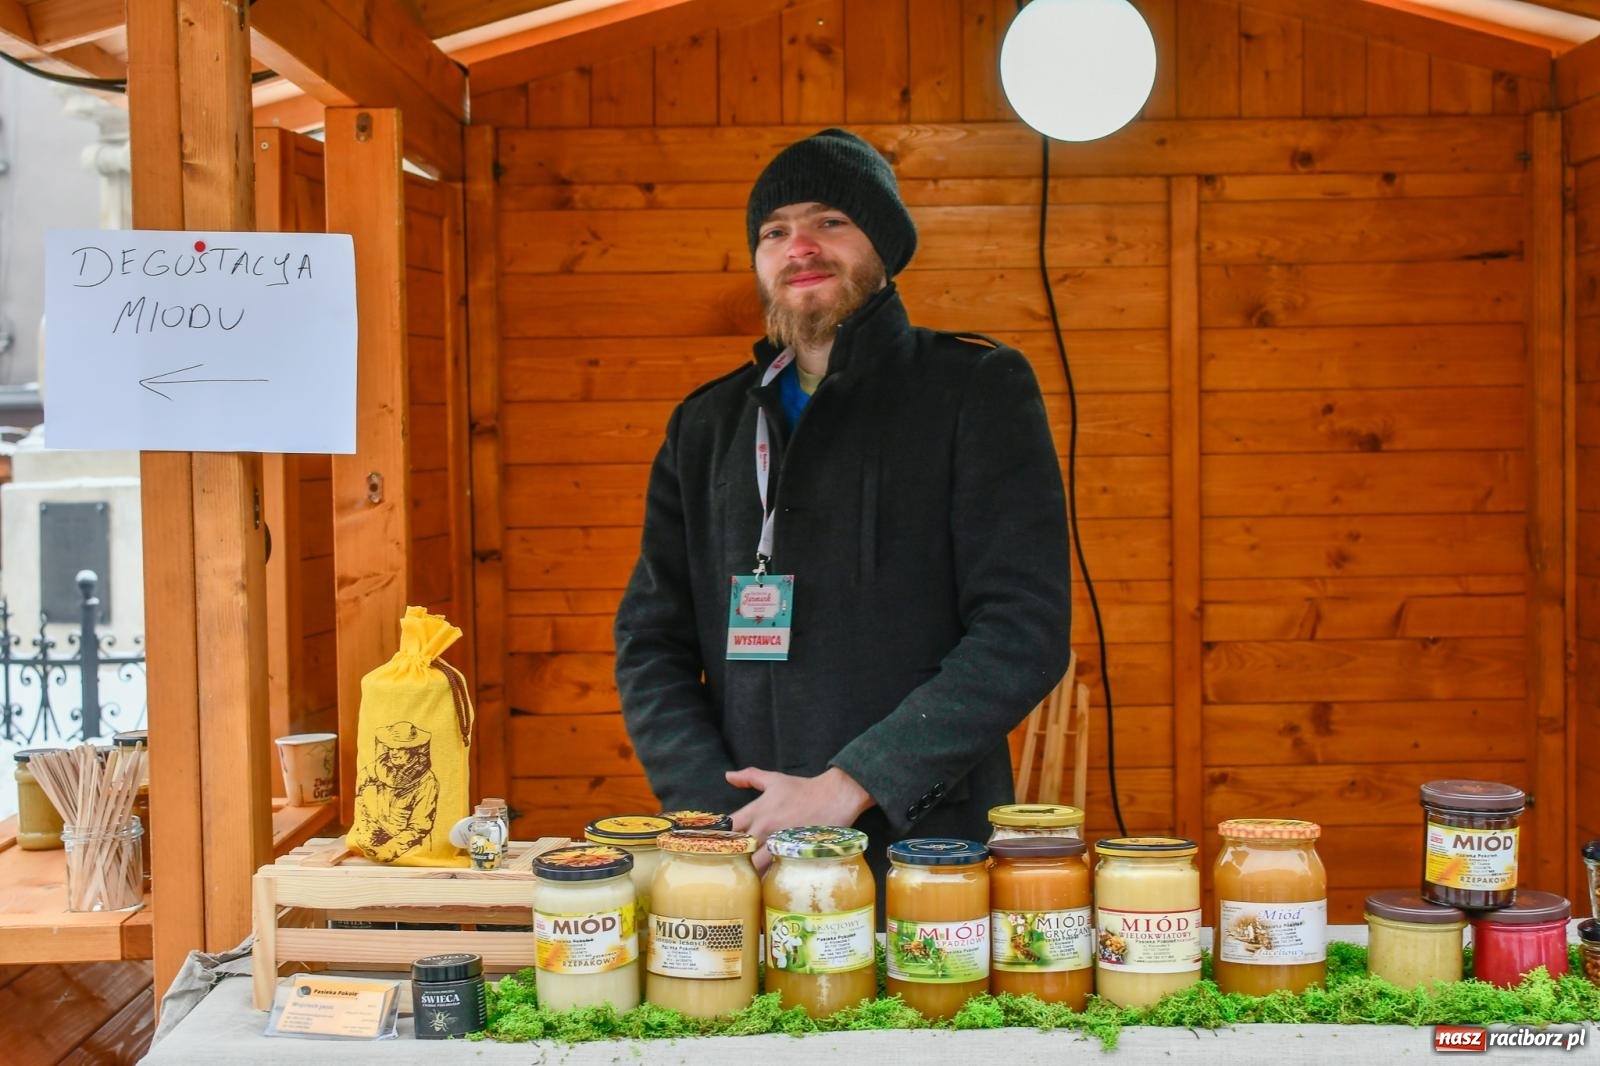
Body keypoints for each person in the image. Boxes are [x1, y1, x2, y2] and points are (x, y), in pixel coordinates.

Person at [613, 128, 1073, 889]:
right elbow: (649, 641)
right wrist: (718, 815)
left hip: (925, 856)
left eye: (830, 221)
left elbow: (1023, 631)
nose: (800, 246)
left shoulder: (974, 390)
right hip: (744, 858)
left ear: (881, 246)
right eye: (775, 230)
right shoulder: (705, 426)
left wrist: (848, 786)